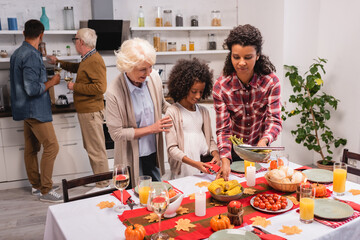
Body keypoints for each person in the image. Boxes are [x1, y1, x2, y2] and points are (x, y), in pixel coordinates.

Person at [213, 24, 282, 180]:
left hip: (260, 150)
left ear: (257, 55)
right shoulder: (221, 87)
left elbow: (275, 120)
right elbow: (223, 130)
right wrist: (225, 160)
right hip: (234, 152)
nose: (241, 63)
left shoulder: (271, 82)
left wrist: (264, 142)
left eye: (248, 57)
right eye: (236, 57)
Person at [47, 28, 109, 194]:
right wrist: (58, 62)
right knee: (92, 148)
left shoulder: (94, 60)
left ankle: (103, 185)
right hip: (87, 111)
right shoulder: (88, 59)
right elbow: (77, 68)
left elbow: (100, 87)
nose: (74, 42)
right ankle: (99, 179)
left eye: (75, 39)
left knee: (96, 149)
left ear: (81, 42)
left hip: (91, 112)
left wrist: (75, 86)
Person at [106, 38, 172, 186]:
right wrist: (152, 129)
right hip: (130, 155)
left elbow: (161, 104)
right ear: (127, 67)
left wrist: (176, 112)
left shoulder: (153, 77)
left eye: (150, 67)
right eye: (143, 69)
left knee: (156, 193)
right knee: (134, 197)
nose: (148, 73)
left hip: (152, 151)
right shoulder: (114, 92)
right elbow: (116, 133)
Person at [10, 19, 62, 202]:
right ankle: (46, 190)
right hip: (35, 110)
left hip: (24, 109)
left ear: (24, 34)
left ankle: (37, 186)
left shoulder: (17, 53)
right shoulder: (32, 55)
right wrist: (52, 82)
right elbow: (32, 89)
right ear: (41, 35)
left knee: (32, 148)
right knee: (52, 147)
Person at [165, 58, 220, 179]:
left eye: (201, 92)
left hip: (204, 165)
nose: (198, 96)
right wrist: (195, 164)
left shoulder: (203, 111)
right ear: (183, 88)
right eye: (194, 91)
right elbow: (172, 149)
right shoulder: (172, 112)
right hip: (184, 168)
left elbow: (210, 140)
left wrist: (216, 154)